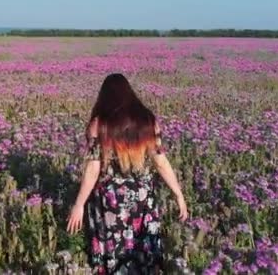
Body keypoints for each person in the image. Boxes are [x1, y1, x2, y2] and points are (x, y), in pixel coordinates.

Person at [66, 73, 188, 274]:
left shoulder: (100, 123)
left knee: (114, 252)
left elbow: (93, 167)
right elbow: (161, 162)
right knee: (145, 250)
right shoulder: (148, 120)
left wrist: (79, 205)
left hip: (110, 201)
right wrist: (178, 194)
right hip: (142, 197)